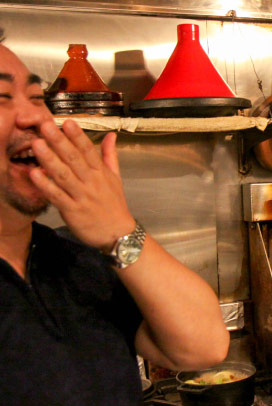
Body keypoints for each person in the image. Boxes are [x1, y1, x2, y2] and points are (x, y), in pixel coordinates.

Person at [0, 38, 229, 404]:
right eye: (2, 97)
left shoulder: (77, 255)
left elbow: (204, 348)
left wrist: (120, 231)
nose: (34, 117)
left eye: (37, 98)